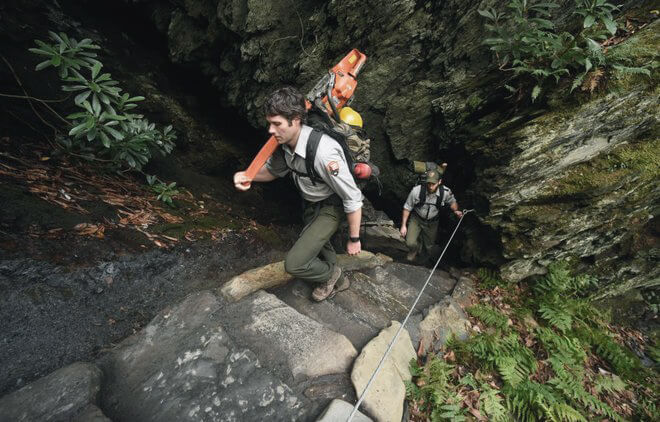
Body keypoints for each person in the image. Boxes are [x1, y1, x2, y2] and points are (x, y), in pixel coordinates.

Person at [233, 86, 363, 301]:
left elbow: (352, 197)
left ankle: (332, 274)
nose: (270, 130)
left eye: (277, 124)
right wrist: (248, 175)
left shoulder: (324, 152)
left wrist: (354, 238)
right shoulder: (284, 144)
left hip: (331, 206)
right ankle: (338, 281)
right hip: (311, 202)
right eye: (270, 123)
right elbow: (274, 171)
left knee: (295, 263)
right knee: (318, 244)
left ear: (295, 120)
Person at [399, 169, 462, 262]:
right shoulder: (416, 191)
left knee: (429, 246)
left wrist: (456, 211)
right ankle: (414, 249)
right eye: (429, 183)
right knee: (410, 242)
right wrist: (403, 225)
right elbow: (407, 207)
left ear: (439, 182)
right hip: (417, 219)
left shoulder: (445, 192)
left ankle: (423, 261)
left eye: (433, 184)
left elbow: (452, 202)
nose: (431, 186)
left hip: (432, 222)